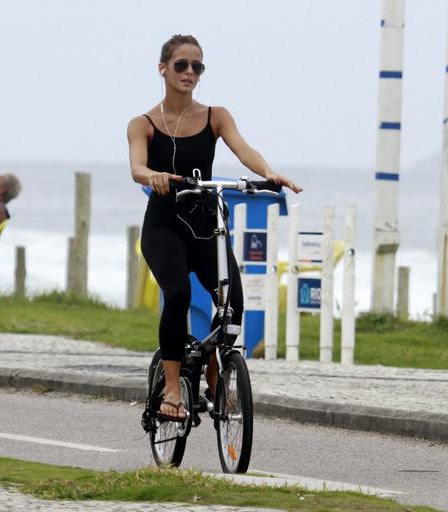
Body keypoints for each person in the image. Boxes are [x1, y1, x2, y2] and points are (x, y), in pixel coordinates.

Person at [127, 34, 302, 421]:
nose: (190, 73)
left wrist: (268, 173)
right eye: (181, 65)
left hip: (205, 223)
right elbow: (137, 166)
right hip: (164, 224)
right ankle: (173, 387)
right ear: (163, 69)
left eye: (197, 67)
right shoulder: (142, 124)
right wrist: (152, 175)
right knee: (178, 294)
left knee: (233, 300)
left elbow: (244, 149)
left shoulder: (215, 116)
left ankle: (214, 375)